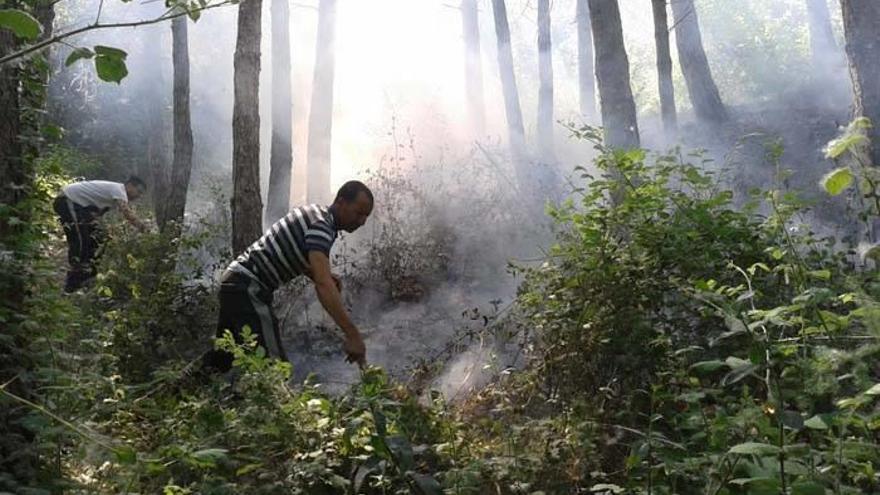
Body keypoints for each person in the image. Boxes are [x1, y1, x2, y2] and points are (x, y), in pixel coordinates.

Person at [203, 180, 374, 372]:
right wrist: (353, 335)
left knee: (221, 359)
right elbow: (323, 285)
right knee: (275, 371)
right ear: (341, 202)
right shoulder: (322, 226)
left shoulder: (314, 214)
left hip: (233, 282)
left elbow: (287, 248)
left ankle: (174, 388)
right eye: (359, 213)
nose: (362, 221)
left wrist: (314, 273)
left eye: (366, 216)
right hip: (248, 286)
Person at [54, 176, 148, 292]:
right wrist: (144, 228)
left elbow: (97, 215)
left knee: (98, 238)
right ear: (129, 186)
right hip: (68, 199)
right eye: (138, 191)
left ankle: (89, 275)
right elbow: (126, 212)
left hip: (80, 206)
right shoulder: (119, 190)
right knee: (81, 241)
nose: (138, 196)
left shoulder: (112, 195)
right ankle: (73, 282)